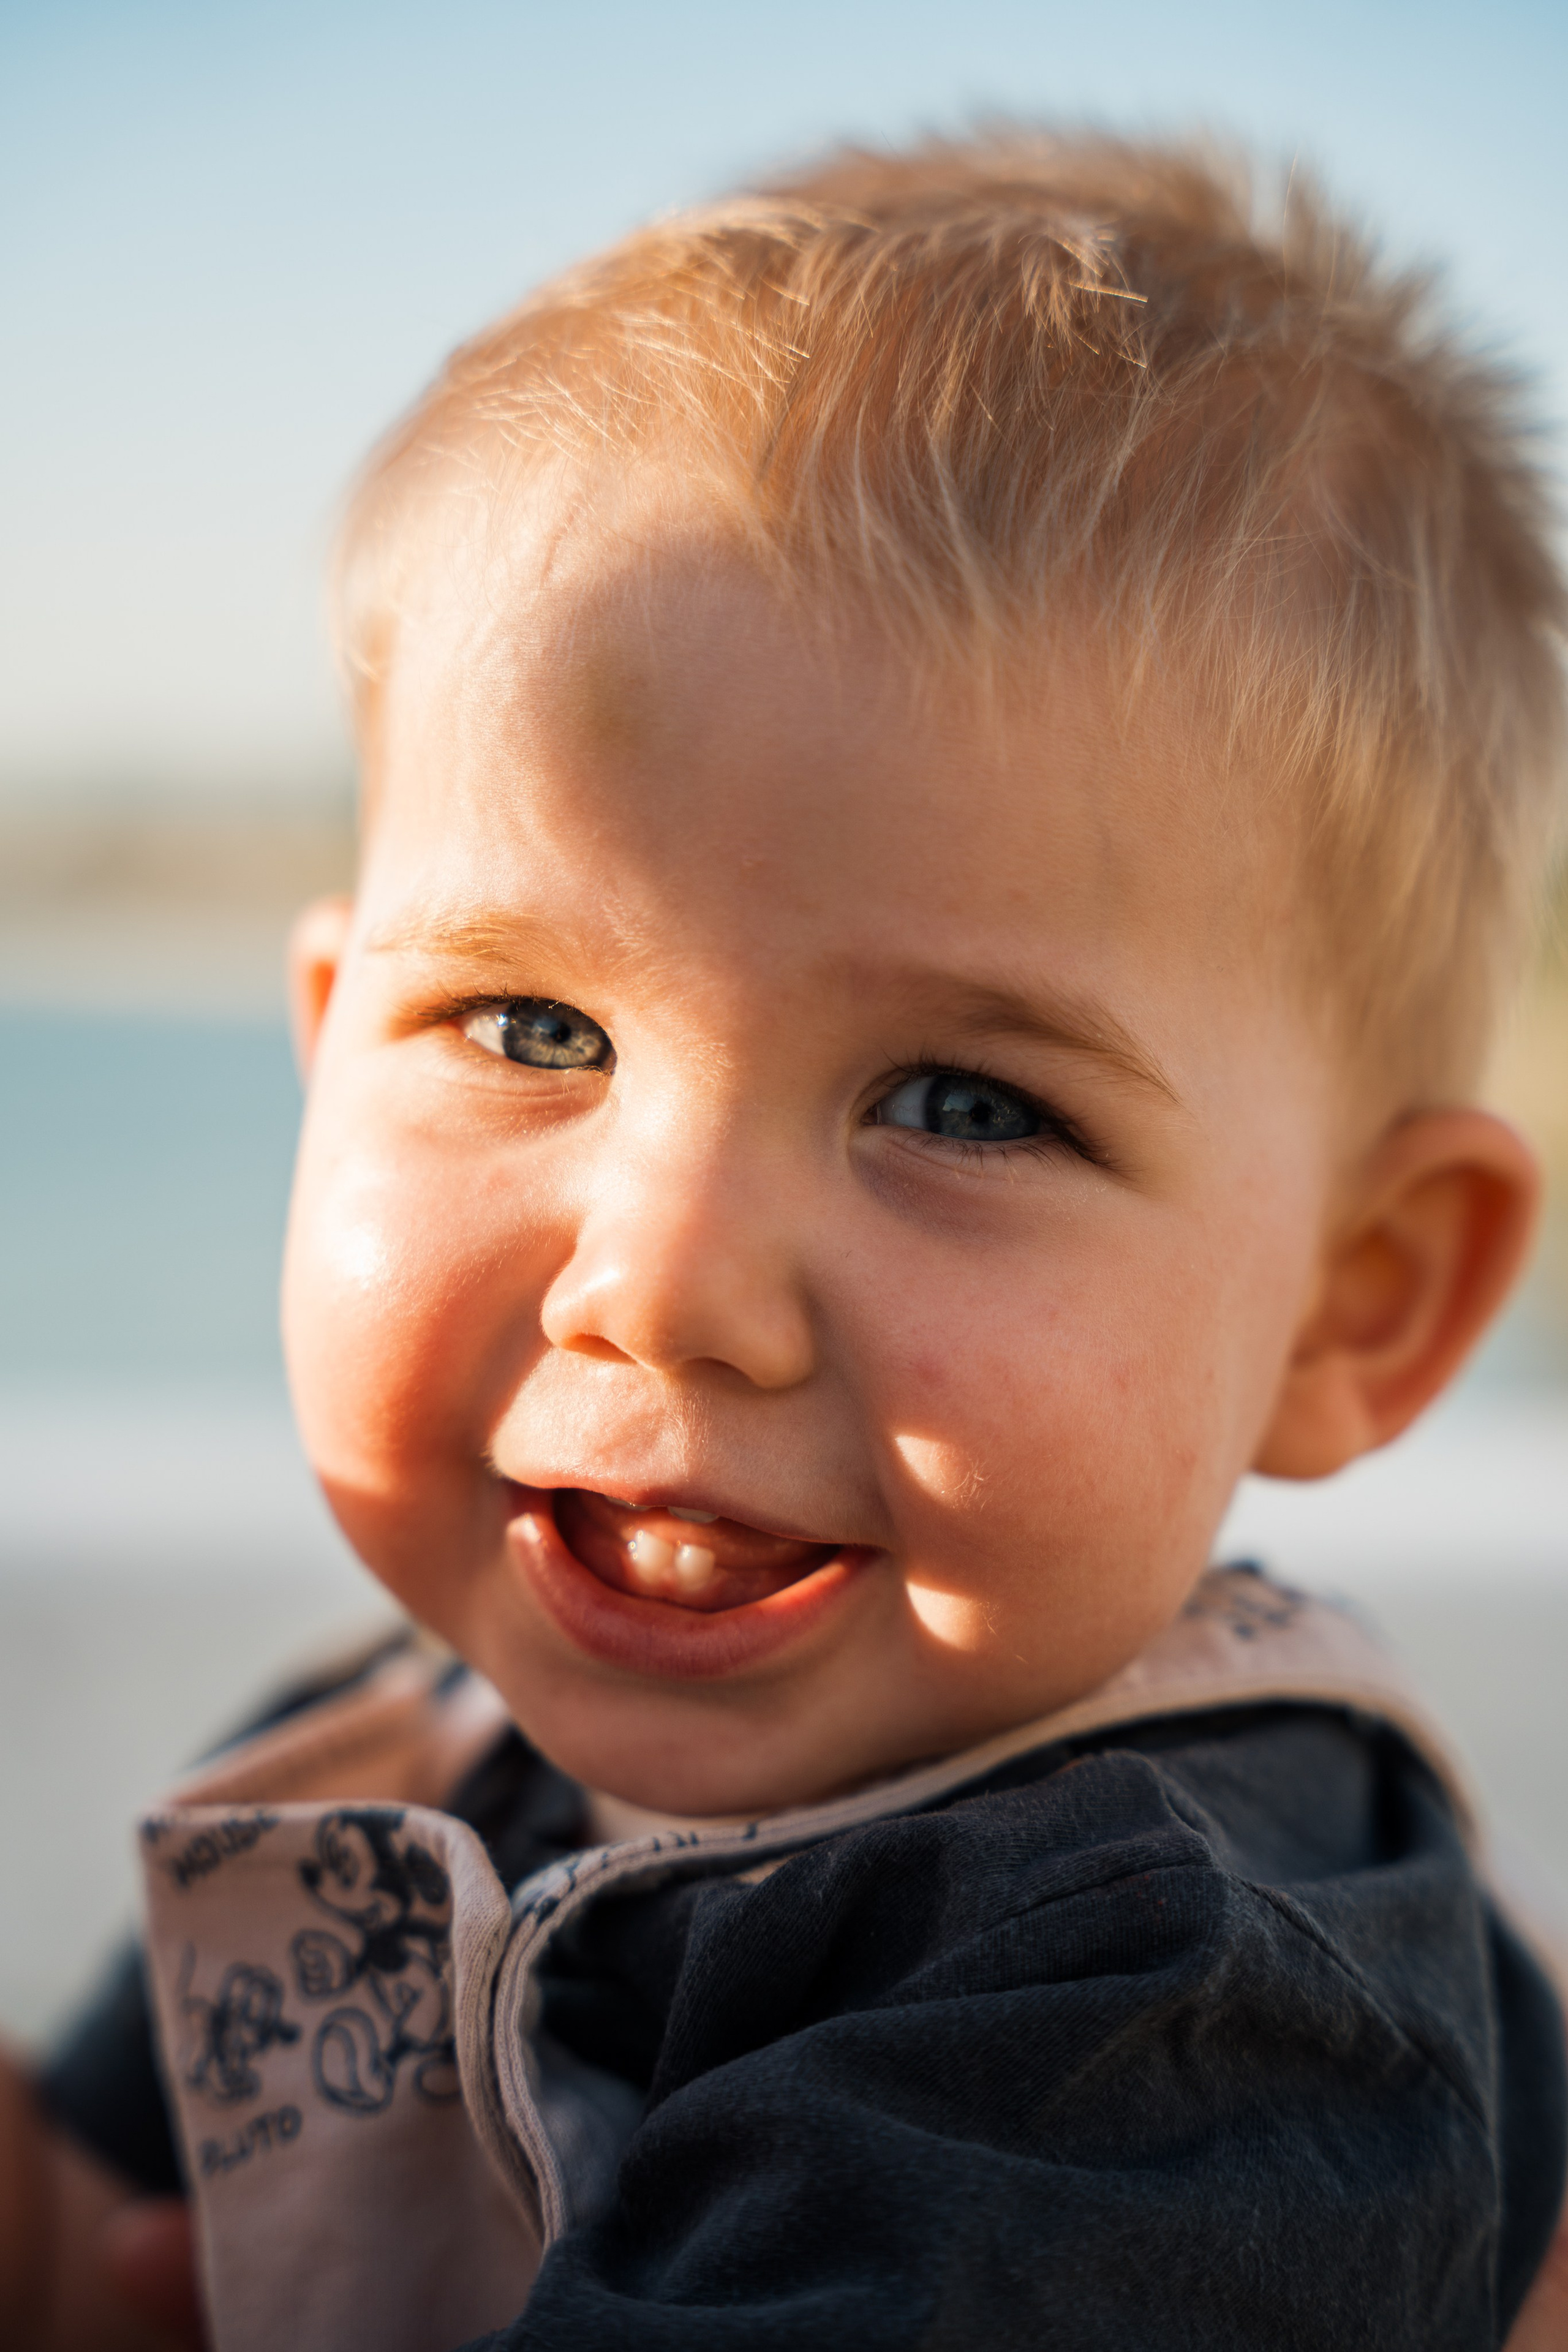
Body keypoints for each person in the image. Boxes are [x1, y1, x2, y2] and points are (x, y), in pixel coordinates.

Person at [4, 130, 1567, 2351]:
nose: (660, 1285)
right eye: (531, 1025)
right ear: (333, 1044)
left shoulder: (1172, 2028)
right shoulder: (408, 1745)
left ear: (1358, 1294)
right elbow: (102, 2256)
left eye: (964, 1104)